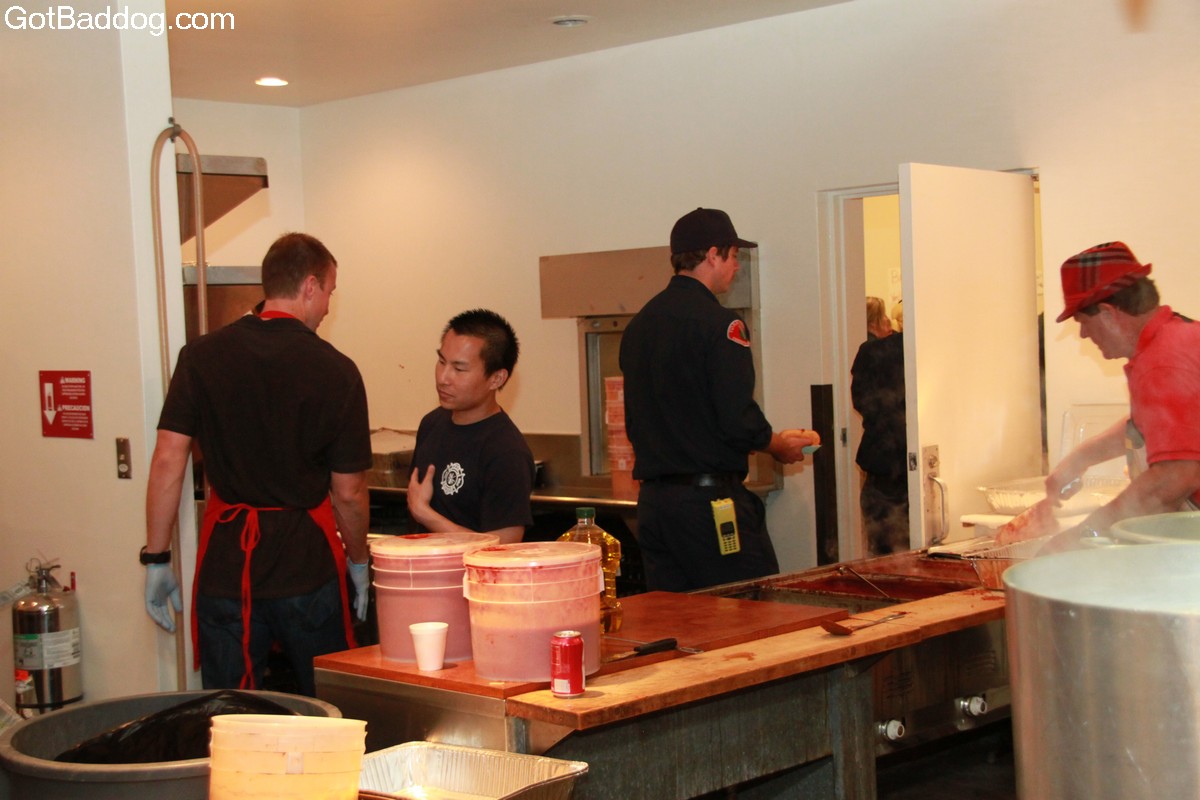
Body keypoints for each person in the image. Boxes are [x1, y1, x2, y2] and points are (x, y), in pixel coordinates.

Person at [143, 232, 372, 696]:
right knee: (326, 710)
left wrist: (156, 557)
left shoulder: (200, 357)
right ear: (309, 286)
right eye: (329, 291)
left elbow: (168, 458)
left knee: (231, 714)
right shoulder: (337, 370)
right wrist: (359, 562)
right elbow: (348, 492)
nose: (328, 306)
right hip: (306, 569)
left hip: (227, 570)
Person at [618, 207, 820, 591]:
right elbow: (736, 418)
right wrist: (777, 444)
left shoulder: (639, 325)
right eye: (734, 256)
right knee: (748, 609)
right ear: (713, 255)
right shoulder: (721, 325)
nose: (737, 267)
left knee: (675, 616)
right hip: (710, 506)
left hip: (655, 507)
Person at [1003, 241, 1200, 548]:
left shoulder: (1162, 362)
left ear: (1108, 313)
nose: (1083, 334)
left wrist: (1083, 536)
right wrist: (1080, 459)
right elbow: (1157, 426)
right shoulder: (1177, 336)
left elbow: (1174, 478)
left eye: (1083, 322)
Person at [407, 309, 534, 544]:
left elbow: (504, 546)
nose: (443, 378)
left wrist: (425, 514)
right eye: (441, 362)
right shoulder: (432, 423)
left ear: (496, 378)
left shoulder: (506, 451)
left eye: (459, 369)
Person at [851, 301, 909, 556]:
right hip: (902, 468)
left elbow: (861, 402)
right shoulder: (919, 349)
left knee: (885, 557)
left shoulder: (872, 354)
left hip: (883, 468)